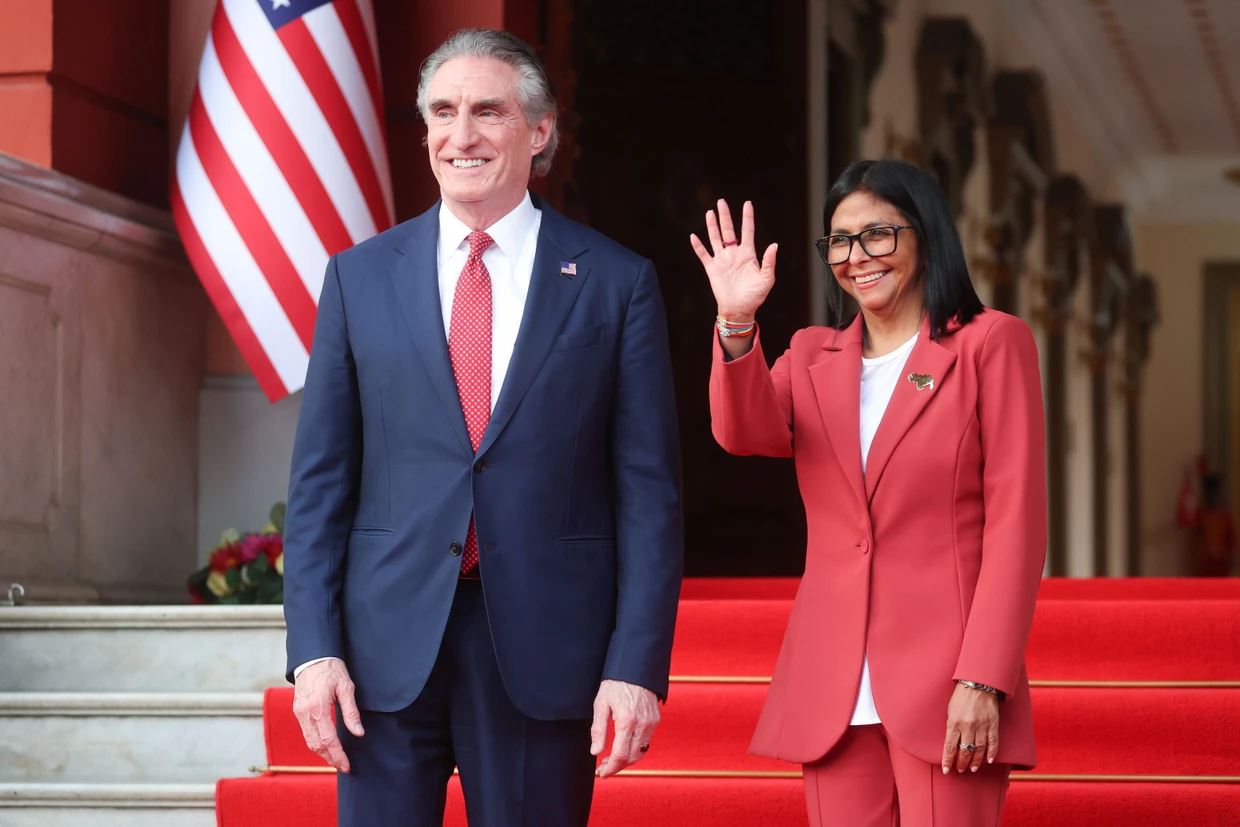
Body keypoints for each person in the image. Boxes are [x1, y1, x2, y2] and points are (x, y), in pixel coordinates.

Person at [283, 29, 683, 827]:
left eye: (487, 112)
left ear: (540, 132)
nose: (460, 136)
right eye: (442, 112)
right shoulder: (358, 277)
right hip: (382, 651)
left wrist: (636, 665)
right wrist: (314, 650)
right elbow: (320, 483)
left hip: (545, 647)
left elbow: (649, 495)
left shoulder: (616, 282)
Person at [692, 159, 1046, 826]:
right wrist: (736, 323)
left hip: (946, 681)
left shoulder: (990, 343)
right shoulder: (810, 354)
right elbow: (742, 432)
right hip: (833, 685)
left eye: (878, 234)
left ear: (926, 235)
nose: (857, 257)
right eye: (841, 241)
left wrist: (983, 678)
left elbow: (1016, 525)